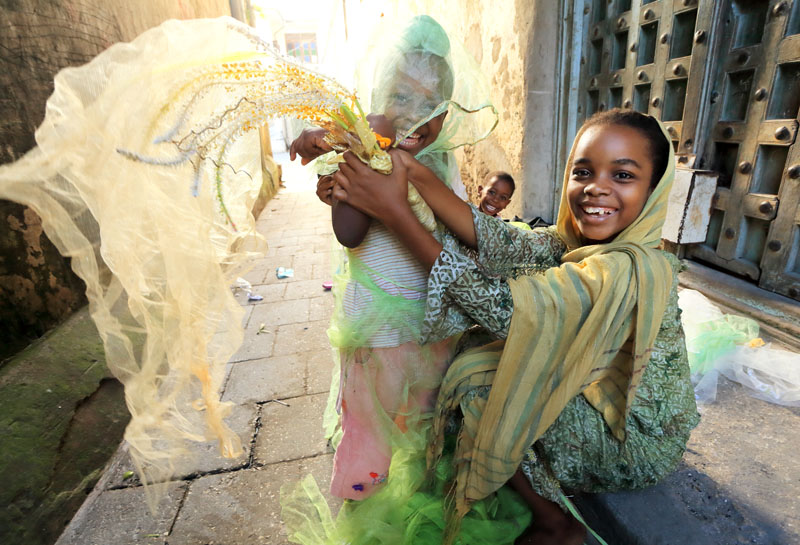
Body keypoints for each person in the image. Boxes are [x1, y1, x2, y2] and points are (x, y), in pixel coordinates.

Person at [330, 108, 700, 544]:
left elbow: (504, 309)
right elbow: (501, 240)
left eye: (623, 176)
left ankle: (556, 524)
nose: (596, 187)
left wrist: (397, 214)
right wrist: (407, 169)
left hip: (634, 440)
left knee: (485, 381)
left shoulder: (630, 268)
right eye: (583, 171)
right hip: (598, 400)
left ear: (655, 189)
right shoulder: (576, 244)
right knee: (477, 350)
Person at [288, 15, 498, 501]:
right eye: (402, 98)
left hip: (434, 332)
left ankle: (414, 503)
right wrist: (358, 159)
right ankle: (364, 512)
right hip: (377, 337)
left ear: (448, 113)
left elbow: (456, 238)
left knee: (424, 430)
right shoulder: (364, 156)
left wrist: (481, 211)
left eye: (432, 104)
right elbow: (349, 233)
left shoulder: (443, 164)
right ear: (377, 101)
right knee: (369, 434)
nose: (416, 116)